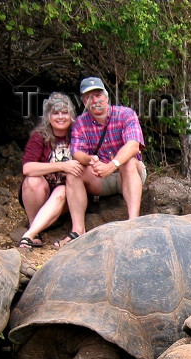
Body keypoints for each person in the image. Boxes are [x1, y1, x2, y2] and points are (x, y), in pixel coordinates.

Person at [55, 76, 146, 247]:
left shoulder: (125, 114)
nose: (95, 100)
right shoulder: (80, 123)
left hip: (129, 172)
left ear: (106, 96)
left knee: (128, 161)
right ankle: (77, 230)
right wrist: (90, 160)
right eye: (89, 97)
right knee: (73, 170)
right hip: (100, 176)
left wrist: (111, 166)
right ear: (84, 101)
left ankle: (133, 222)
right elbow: (77, 152)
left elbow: (134, 145)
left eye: (98, 95)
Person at [17, 92, 83, 250]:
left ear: (71, 115)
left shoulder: (77, 135)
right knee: (32, 180)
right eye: (55, 113)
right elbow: (27, 168)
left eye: (65, 112)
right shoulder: (39, 137)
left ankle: (29, 235)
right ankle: (35, 228)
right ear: (48, 117)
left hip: (66, 197)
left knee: (61, 190)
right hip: (41, 195)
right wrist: (61, 166)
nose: (61, 117)